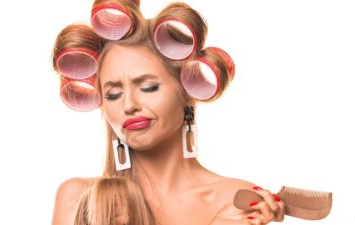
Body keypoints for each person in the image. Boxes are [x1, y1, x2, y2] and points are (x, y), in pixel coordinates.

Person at [51, 1, 285, 225]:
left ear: (187, 93)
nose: (129, 104)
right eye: (113, 94)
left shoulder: (234, 201)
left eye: (148, 87)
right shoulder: (79, 198)